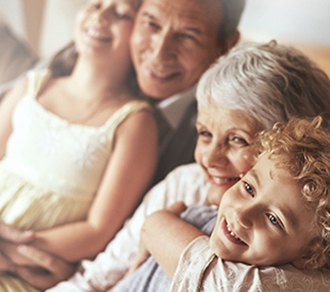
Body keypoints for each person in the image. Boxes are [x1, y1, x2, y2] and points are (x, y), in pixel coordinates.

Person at [0, 0, 247, 288]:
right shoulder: (61, 71)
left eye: (187, 35)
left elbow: (119, 248)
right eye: (151, 23)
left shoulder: (210, 146)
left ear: (225, 46)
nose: (160, 53)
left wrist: (64, 270)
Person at [48, 41, 330, 291]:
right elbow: (93, 280)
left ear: (286, 150)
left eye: (237, 139)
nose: (209, 159)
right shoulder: (186, 184)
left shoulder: (312, 241)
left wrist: (158, 228)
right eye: (205, 134)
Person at [0, 0, 158, 291]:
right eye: (95, 4)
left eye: (121, 13)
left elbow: (97, 229)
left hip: (28, 268)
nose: (101, 17)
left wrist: (13, 250)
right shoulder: (33, 86)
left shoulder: (133, 122)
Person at [113, 115, 330, 292]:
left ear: (310, 254)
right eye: (248, 188)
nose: (242, 214)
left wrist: (157, 224)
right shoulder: (196, 216)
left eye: (273, 219)